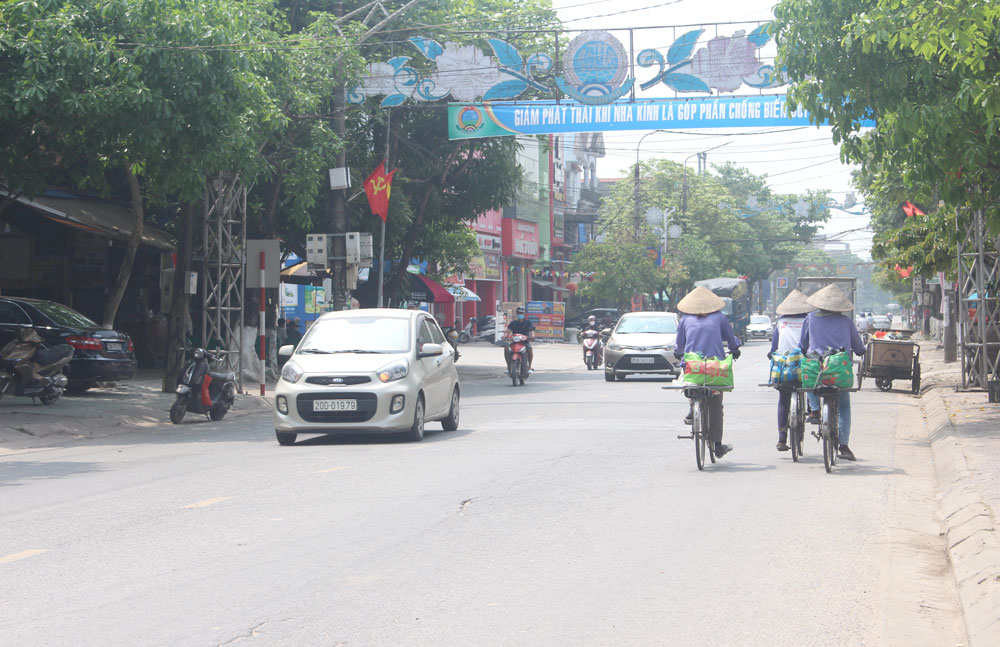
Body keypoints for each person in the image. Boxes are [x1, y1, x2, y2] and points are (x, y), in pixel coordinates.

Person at [673, 286, 742, 458]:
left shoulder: (685, 319)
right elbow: (730, 339)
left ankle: (692, 407)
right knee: (716, 404)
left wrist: (678, 352)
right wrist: (735, 349)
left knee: (688, 381)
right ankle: (718, 445)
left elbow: (679, 345)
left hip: (693, 367)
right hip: (715, 370)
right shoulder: (719, 317)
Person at [800, 284, 866, 461]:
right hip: (840, 370)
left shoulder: (810, 319)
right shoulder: (846, 322)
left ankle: (814, 410)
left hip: (818, 368)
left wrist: (809, 349)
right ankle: (843, 446)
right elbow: (858, 347)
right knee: (843, 406)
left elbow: (803, 345)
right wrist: (860, 351)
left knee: (809, 380)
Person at [768, 289, 814, 451]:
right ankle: (811, 409)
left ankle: (781, 438)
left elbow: (774, 347)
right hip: (802, 366)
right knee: (811, 382)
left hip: (784, 368)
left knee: (783, 399)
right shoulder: (809, 320)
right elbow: (810, 344)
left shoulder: (781, 323)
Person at [504, 305, 534, 373]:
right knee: (506, 349)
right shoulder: (513, 323)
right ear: (516, 314)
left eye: (521, 313)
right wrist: (505, 336)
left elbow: (532, 331)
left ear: (524, 314)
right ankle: (509, 367)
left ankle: (529, 367)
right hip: (514, 342)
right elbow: (508, 331)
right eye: (518, 313)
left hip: (524, 342)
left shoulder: (528, 322)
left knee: (529, 350)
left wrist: (532, 336)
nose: (520, 314)